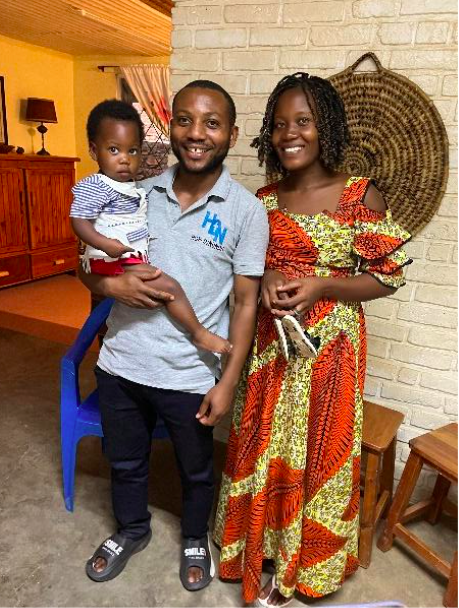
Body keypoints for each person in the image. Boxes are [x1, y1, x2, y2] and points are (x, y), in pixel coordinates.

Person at [214, 72, 412, 606]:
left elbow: (387, 277)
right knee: (263, 442)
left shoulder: (359, 195)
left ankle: (304, 564)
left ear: (326, 127)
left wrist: (323, 284)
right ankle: (258, 549)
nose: (289, 134)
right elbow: (247, 269)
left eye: (303, 121)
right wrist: (268, 276)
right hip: (271, 347)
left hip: (331, 353)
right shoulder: (262, 200)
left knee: (320, 451)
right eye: (279, 124)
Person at [78, 81, 269, 591]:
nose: (196, 133)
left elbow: (246, 303)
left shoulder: (246, 211)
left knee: (197, 470)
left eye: (211, 123)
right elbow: (87, 267)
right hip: (122, 363)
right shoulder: (134, 192)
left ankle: (192, 537)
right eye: (184, 120)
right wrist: (110, 285)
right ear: (171, 128)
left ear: (232, 134)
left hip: (189, 375)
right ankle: (132, 529)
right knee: (124, 461)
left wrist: (228, 381)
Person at [70, 99, 231, 355]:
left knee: (160, 290)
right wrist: (105, 246)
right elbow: (79, 220)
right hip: (113, 258)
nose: (125, 159)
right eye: (114, 150)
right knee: (169, 287)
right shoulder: (96, 185)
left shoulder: (135, 189)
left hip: (125, 256)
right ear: (93, 150)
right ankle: (199, 333)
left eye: (132, 151)